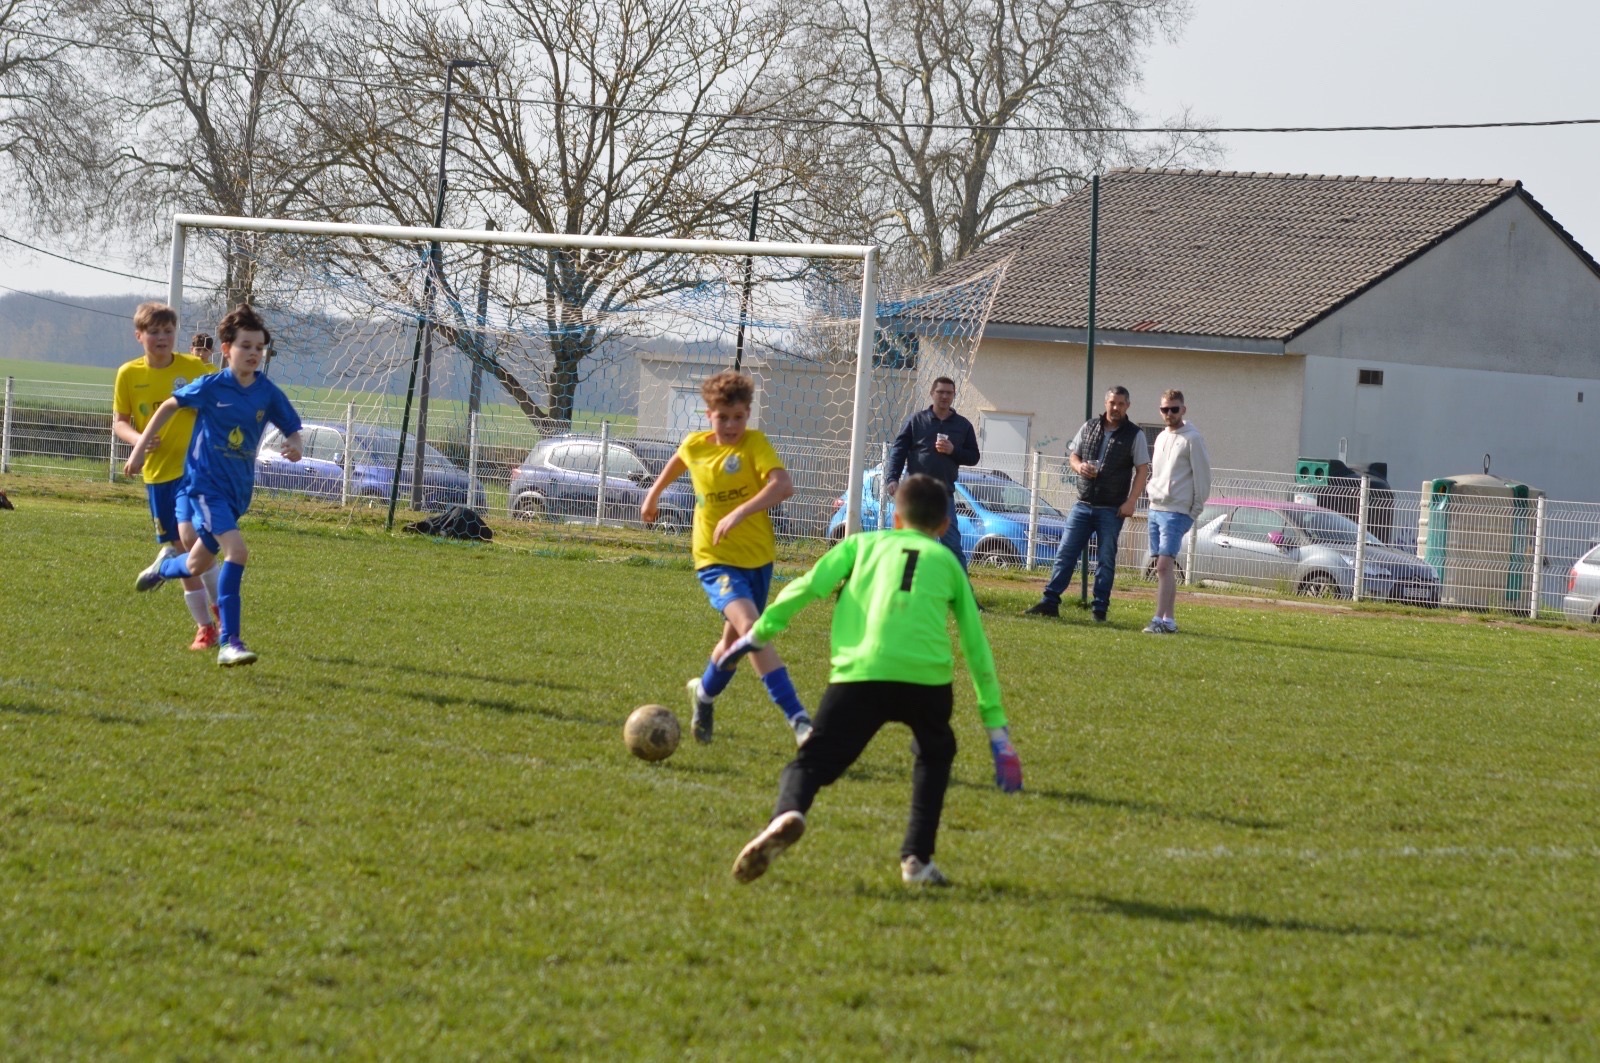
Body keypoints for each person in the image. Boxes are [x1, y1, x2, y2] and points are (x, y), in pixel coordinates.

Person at [723, 474, 1022, 888]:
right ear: (943, 526)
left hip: (861, 673)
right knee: (935, 753)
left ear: (896, 518)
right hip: (927, 681)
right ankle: (917, 859)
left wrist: (759, 632)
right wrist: (996, 729)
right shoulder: (948, 564)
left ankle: (789, 812)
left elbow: (809, 587)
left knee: (813, 761)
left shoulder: (860, 545)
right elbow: (975, 644)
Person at [124, 304, 305, 667]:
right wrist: (140, 448)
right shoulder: (211, 386)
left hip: (238, 492)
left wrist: (295, 446)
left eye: (259, 348)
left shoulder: (266, 392)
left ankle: (164, 568)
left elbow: (292, 428)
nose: (253, 353)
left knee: (194, 564)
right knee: (237, 552)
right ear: (226, 349)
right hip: (206, 487)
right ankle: (229, 642)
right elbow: (168, 407)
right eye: (245, 346)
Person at [640, 370, 813, 746]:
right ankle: (799, 720)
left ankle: (703, 695)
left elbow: (783, 485)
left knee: (733, 646)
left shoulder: (754, 444)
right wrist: (653, 495)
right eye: (723, 417)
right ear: (709, 415)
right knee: (752, 629)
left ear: (748, 413)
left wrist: (739, 512)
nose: (732, 425)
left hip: (758, 559)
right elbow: (679, 460)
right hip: (714, 558)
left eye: (739, 417)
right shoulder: (695, 445)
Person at [113, 301, 222, 649]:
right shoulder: (128, 374)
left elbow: (221, 400)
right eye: (154, 332)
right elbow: (120, 422)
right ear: (139, 335)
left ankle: (221, 611)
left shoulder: (194, 368)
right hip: (158, 475)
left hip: (195, 471)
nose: (162, 337)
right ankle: (205, 627)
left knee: (195, 542)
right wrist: (139, 441)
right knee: (179, 547)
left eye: (168, 331)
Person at [1026, 386, 1151, 622]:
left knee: (1106, 560)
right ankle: (1049, 602)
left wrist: (1131, 501)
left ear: (1128, 406)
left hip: (1112, 509)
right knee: (1065, 553)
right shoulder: (1089, 427)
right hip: (1083, 504)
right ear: (1105, 403)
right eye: (1112, 403)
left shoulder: (1135, 435)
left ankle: (1099, 610)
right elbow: (1074, 455)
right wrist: (1079, 467)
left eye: (1121, 404)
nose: (1116, 408)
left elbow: (1142, 469)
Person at [884, 376, 980, 568]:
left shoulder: (963, 425)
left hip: (943, 496)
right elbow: (899, 450)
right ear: (932, 394)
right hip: (915, 494)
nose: (944, 396)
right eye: (940, 392)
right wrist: (892, 478)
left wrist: (953, 450)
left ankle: (961, 586)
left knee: (952, 546)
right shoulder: (916, 421)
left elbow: (974, 456)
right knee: (909, 543)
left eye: (949, 393)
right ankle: (902, 580)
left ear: (954, 395)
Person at [1144, 389, 1212, 634]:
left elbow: (1203, 478)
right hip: (1156, 508)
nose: (1169, 413)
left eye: (1174, 409)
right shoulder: (1161, 437)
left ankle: (1158, 620)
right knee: (1163, 567)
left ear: (1183, 409)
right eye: (1165, 409)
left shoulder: (1193, 439)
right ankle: (1169, 620)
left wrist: (1193, 511)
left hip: (1177, 511)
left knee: (1163, 565)